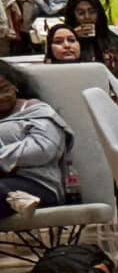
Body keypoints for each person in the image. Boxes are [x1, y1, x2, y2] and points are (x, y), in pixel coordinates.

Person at [0, 61, 74, 218]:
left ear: (15, 86)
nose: (1, 97)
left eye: (4, 89)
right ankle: (14, 197)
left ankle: (15, 197)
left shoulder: (37, 111)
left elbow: (43, 149)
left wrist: (2, 158)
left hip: (38, 184)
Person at [61, 0, 118, 76]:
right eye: (81, 13)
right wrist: (72, 38)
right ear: (72, 16)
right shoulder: (63, 40)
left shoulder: (111, 38)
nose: (87, 17)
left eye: (92, 12)